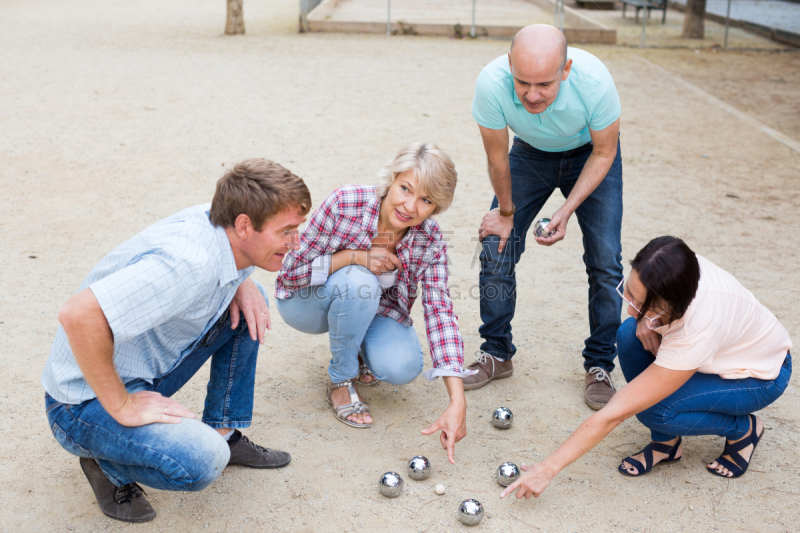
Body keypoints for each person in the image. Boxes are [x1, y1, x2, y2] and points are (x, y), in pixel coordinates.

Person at [41, 159, 311, 522]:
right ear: (245, 225)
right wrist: (122, 404)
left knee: (253, 298)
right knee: (203, 460)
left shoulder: (229, 230)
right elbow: (77, 314)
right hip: (81, 403)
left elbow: (233, 264)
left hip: (144, 369)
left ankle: (225, 430)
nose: (296, 242)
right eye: (287, 231)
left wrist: (241, 282)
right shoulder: (188, 264)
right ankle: (107, 465)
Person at [501, 236, 792, 500]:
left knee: (655, 410)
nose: (630, 309)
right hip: (712, 352)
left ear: (674, 307)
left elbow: (614, 414)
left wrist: (548, 468)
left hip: (759, 375)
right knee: (629, 334)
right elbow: (642, 311)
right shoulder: (671, 267)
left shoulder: (697, 329)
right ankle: (667, 444)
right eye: (630, 293)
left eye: (644, 306)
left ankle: (744, 429)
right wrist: (645, 316)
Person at [275, 142, 469, 463]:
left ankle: (360, 348)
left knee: (402, 367)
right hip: (306, 301)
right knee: (359, 281)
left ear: (437, 207)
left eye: (426, 200)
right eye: (405, 188)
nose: (409, 206)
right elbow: (290, 272)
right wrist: (356, 257)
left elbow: (440, 311)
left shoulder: (430, 239)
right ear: (391, 179)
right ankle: (341, 380)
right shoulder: (344, 203)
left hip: (374, 309)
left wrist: (457, 398)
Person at [467, 23, 624, 410]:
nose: (532, 95)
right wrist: (505, 213)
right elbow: (497, 157)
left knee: (605, 260)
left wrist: (566, 209)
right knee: (496, 244)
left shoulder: (595, 83)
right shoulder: (491, 83)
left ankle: (601, 363)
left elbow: (605, 153)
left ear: (565, 70)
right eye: (522, 83)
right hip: (530, 154)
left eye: (544, 85)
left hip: (589, 155)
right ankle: (496, 352)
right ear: (509, 65)